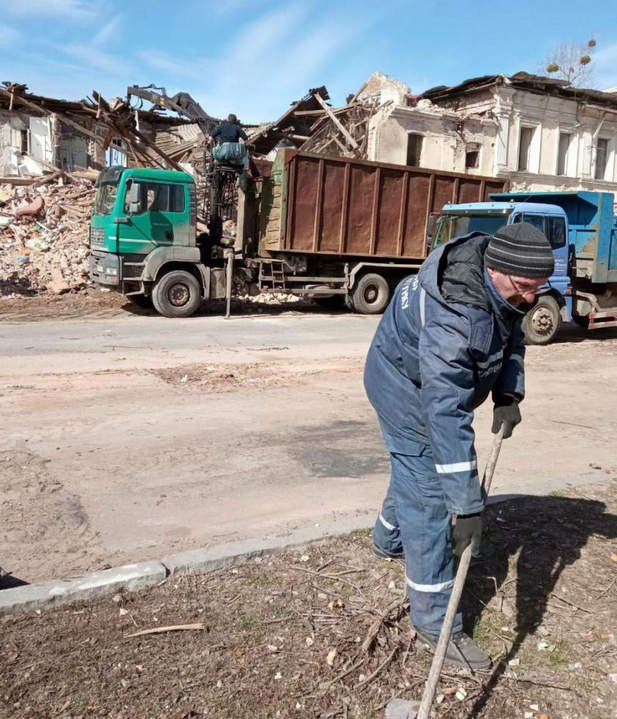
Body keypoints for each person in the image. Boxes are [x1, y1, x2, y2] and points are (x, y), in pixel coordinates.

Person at [364, 222, 555, 670]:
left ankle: (387, 538)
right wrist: (467, 506)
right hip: (404, 388)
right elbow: (446, 413)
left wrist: (509, 392)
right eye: (526, 288)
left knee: (416, 473)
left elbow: (511, 336)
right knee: (430, 497)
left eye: (538, 289)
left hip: (423, 384)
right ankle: (436, 624)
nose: (532, 299)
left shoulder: (503, 287)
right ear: (495, 270)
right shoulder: (452, 316)